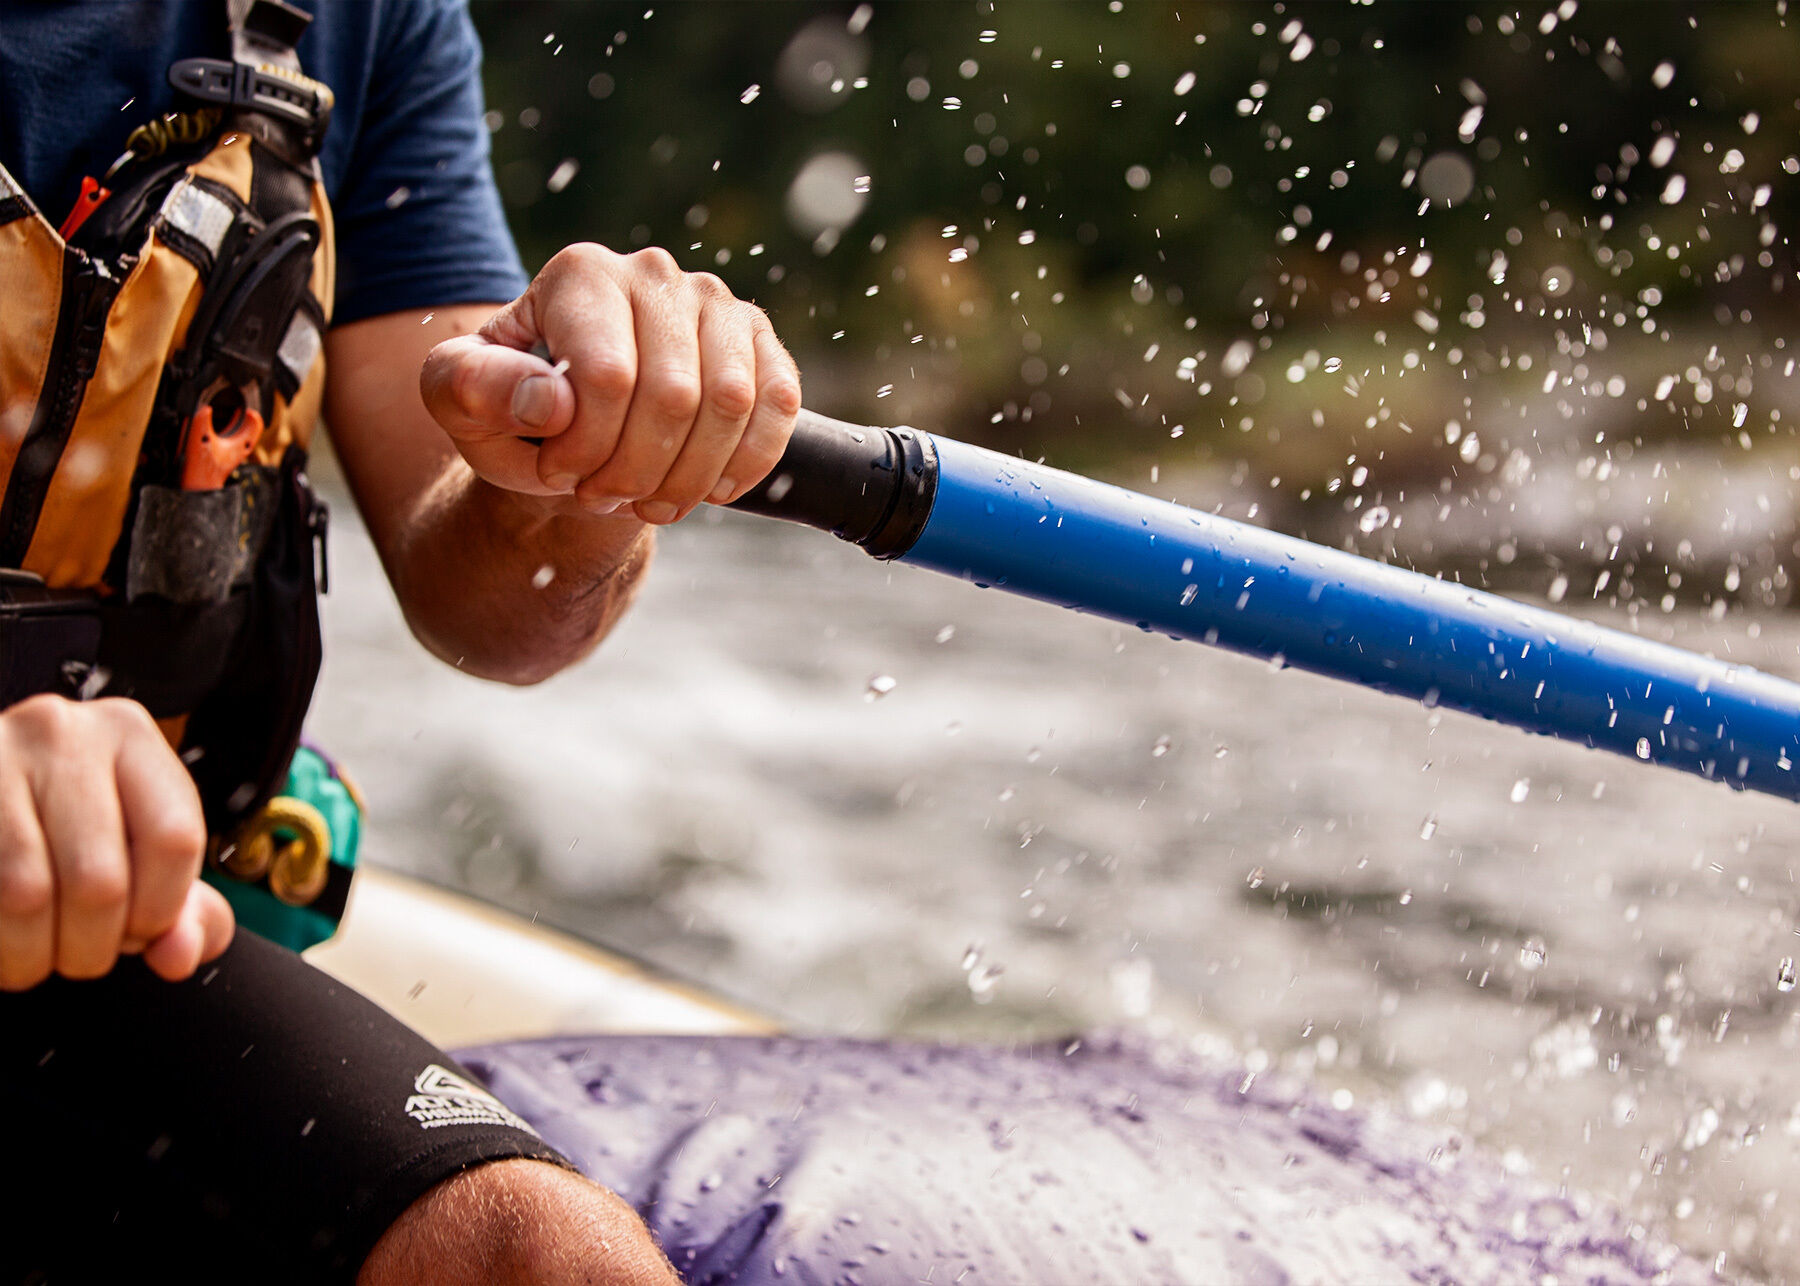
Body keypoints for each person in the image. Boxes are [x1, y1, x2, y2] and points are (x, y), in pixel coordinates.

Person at [0, 0, 796, 1281]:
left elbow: (496, 599)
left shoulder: (370, 22)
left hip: (105, 941)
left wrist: (579, 467)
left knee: (542, 1261)